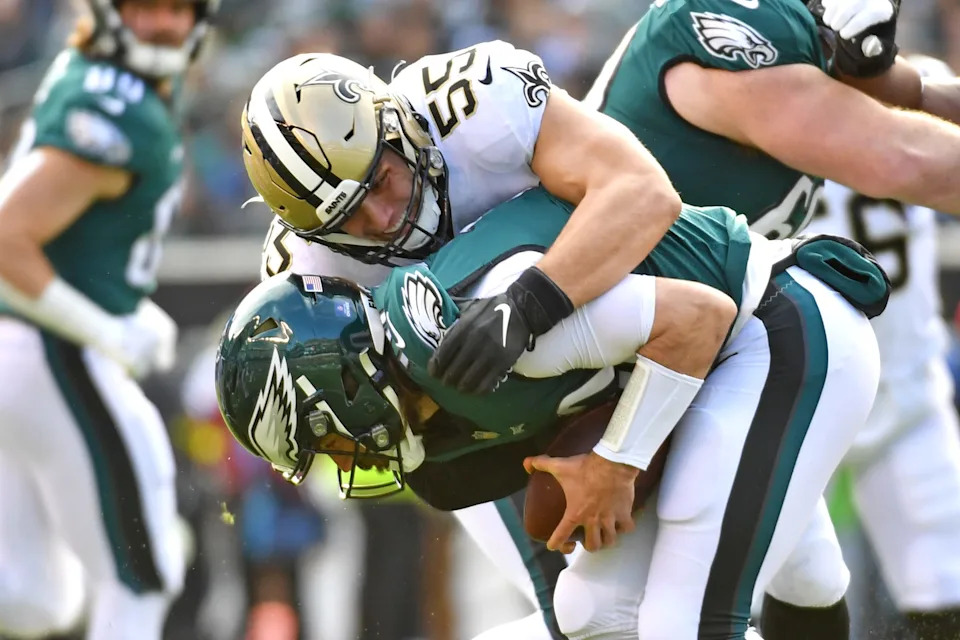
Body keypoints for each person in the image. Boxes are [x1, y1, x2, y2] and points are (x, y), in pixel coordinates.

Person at [217, 185, 889, 640]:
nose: (342, 458)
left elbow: (700, 317)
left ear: (342, 382)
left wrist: (616, 462)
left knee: (685, 625)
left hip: (774, 327)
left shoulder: (468, 334)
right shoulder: (429, 419)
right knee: (592, 610)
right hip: (698, 373)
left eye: (326, 438)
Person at [245, 43, 680, 639]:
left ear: (396, 125)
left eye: (380, 180)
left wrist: (527, 305)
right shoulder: (303, 269)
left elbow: (644, 192)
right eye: (346, 221)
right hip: (489, 418)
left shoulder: (471, 101)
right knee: (576, 613)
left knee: (722, 587)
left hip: (639, 339)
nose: (381, 217)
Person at [0, 1, 217, 638]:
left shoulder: (99, 74)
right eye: (143, 6)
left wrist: (124, 306)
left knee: (31, 598)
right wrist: (104, 328)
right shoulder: (120, 106)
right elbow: (8, 238)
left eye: (176, 8)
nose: (162, 24)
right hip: (54, 354)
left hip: (22, 348)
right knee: (146, 572)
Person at [781, 53, 960, 640]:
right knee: (779, 591)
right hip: (795, 394)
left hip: (900, 385)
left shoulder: (913, 82)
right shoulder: (761, 91)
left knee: (946, 597)